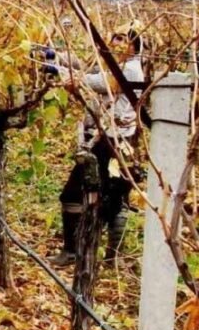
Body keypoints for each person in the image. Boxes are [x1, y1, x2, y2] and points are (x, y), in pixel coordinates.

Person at [47, 27, 144, 266]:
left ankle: (77, 251)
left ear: (134, 46)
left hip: (113, 142)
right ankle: (107, 255)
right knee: (114, 196)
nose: (115, 41)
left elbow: (98, 82)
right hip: (114, 139)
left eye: (122, 38)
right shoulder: (118, 66)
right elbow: (89, 73)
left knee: (78, 193)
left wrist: (63, 73)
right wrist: (61, 61)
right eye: (114, 37)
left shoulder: (129, 70)